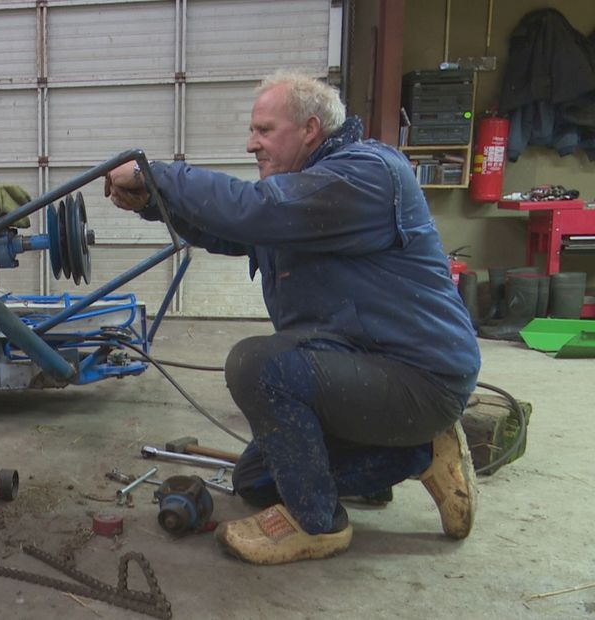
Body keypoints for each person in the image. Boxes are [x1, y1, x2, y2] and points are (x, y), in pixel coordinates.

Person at [105, 70, 481, 565]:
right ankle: (419, 454)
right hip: (360, 364)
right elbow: (231, 230)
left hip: (418, 376)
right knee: (256, 480)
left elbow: (253, 213)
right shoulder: (304, 192)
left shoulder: (363, 174)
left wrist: (159, 174)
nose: (250, 145)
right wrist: (155, 202)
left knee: (256, 364)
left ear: (309, 129)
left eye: (264, 130)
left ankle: (316, 525)